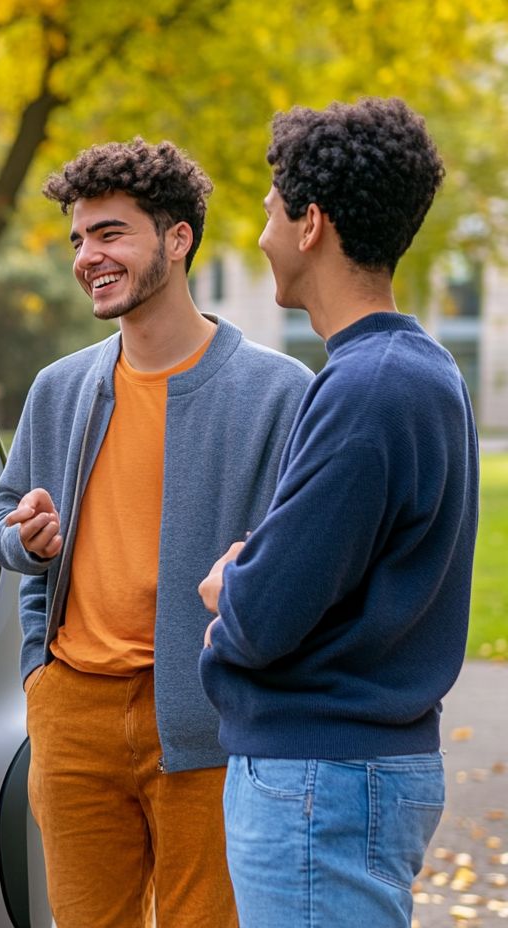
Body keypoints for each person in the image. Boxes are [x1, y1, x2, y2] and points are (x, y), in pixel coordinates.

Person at [0, 138, 312, 927]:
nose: (87, 256)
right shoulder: (59, 388)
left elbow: (301, 568)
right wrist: (23, 551)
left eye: (110, 234)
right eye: (78, 239)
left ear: (177, 238)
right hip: (73, 716)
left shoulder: (278, 392)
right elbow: (2, 516)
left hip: (209, 719)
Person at [198, 97, 479, 928]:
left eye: (268, 209)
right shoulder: (413, 371)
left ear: (310, 222)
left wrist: (227, 583)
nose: (259, 234)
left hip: (320, 780)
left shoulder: (368, 388)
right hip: (350, 774)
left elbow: (265, 608)